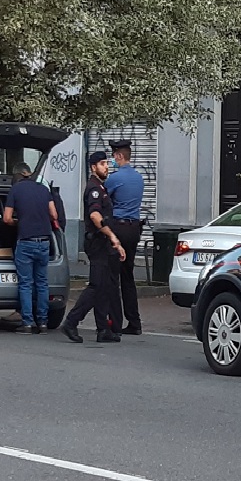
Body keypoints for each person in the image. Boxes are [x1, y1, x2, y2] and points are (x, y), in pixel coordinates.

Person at [59, 151, 126, 344]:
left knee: (104, 286)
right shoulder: (94, 189)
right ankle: (71, 322)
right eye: (102, 164)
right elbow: (95, 216)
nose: (106, 167)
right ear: (93, 167)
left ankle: (103, 329)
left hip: (102, 243)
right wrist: (112, 236)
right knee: (96, 286)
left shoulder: (101, 187)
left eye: (107, 163)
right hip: (97, 243)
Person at [3, 163, 59, 334]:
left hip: (26, 242)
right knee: (42, 283)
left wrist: (18, 222)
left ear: (17, 176)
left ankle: (27, 323)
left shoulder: (15, 190)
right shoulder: (43, 189)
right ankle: (43, 323)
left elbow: (6, 218)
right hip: (44, 242)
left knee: (26, 284)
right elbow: (54, 215)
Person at [105, 139, 144, 335]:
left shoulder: (114, 178)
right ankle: (134, 322)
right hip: (134, 229)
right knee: (128, 276)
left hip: (118, 229)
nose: (112, 159)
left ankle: (115, 322)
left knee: (112, 276)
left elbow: (104, 200)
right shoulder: (139, 178)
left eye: (114, 156)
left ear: (119, 156)